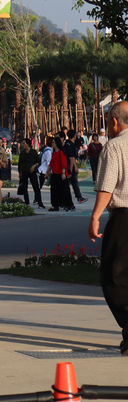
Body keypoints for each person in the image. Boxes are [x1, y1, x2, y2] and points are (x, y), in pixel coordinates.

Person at [89, 101, 128, 355]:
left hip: (124, 217)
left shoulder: (115, 146)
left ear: (114, 122)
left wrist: (95, 216)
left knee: (113, 277)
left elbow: (107, 185)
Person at [48, 135, 75, 212]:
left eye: (53, 142)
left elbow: (64, 163)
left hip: (61, 174)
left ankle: (69, 205)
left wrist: (63, 173)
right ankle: (55, 205)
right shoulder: (54, 153)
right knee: (54, 190)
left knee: (65, 190)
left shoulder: (61, 152)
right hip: (55, 174)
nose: (52, 143)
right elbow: (51, 163)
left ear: (56, 143)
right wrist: (48, 172)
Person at [16, 137, 43, 208]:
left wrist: (34, 166)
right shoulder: (22, 153)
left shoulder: (33, 152)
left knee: (36, 187)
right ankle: (26, 202)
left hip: (32, 172)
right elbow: (20, 164)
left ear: (28, 144)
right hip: (24, 172)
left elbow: (38, 161)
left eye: (24, 143)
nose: (23, 145)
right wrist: (20, 173)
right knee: (24, 187)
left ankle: (40, 202)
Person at [62, 131, 85, 203]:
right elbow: (71, 158)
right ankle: (69, 200)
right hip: (69, 166)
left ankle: (79, 197)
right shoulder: (70, 145)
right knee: (70, 184)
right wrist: (72, 168)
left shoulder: (67, 144)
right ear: (74, 136)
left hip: (68, 165)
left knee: (73, 183)